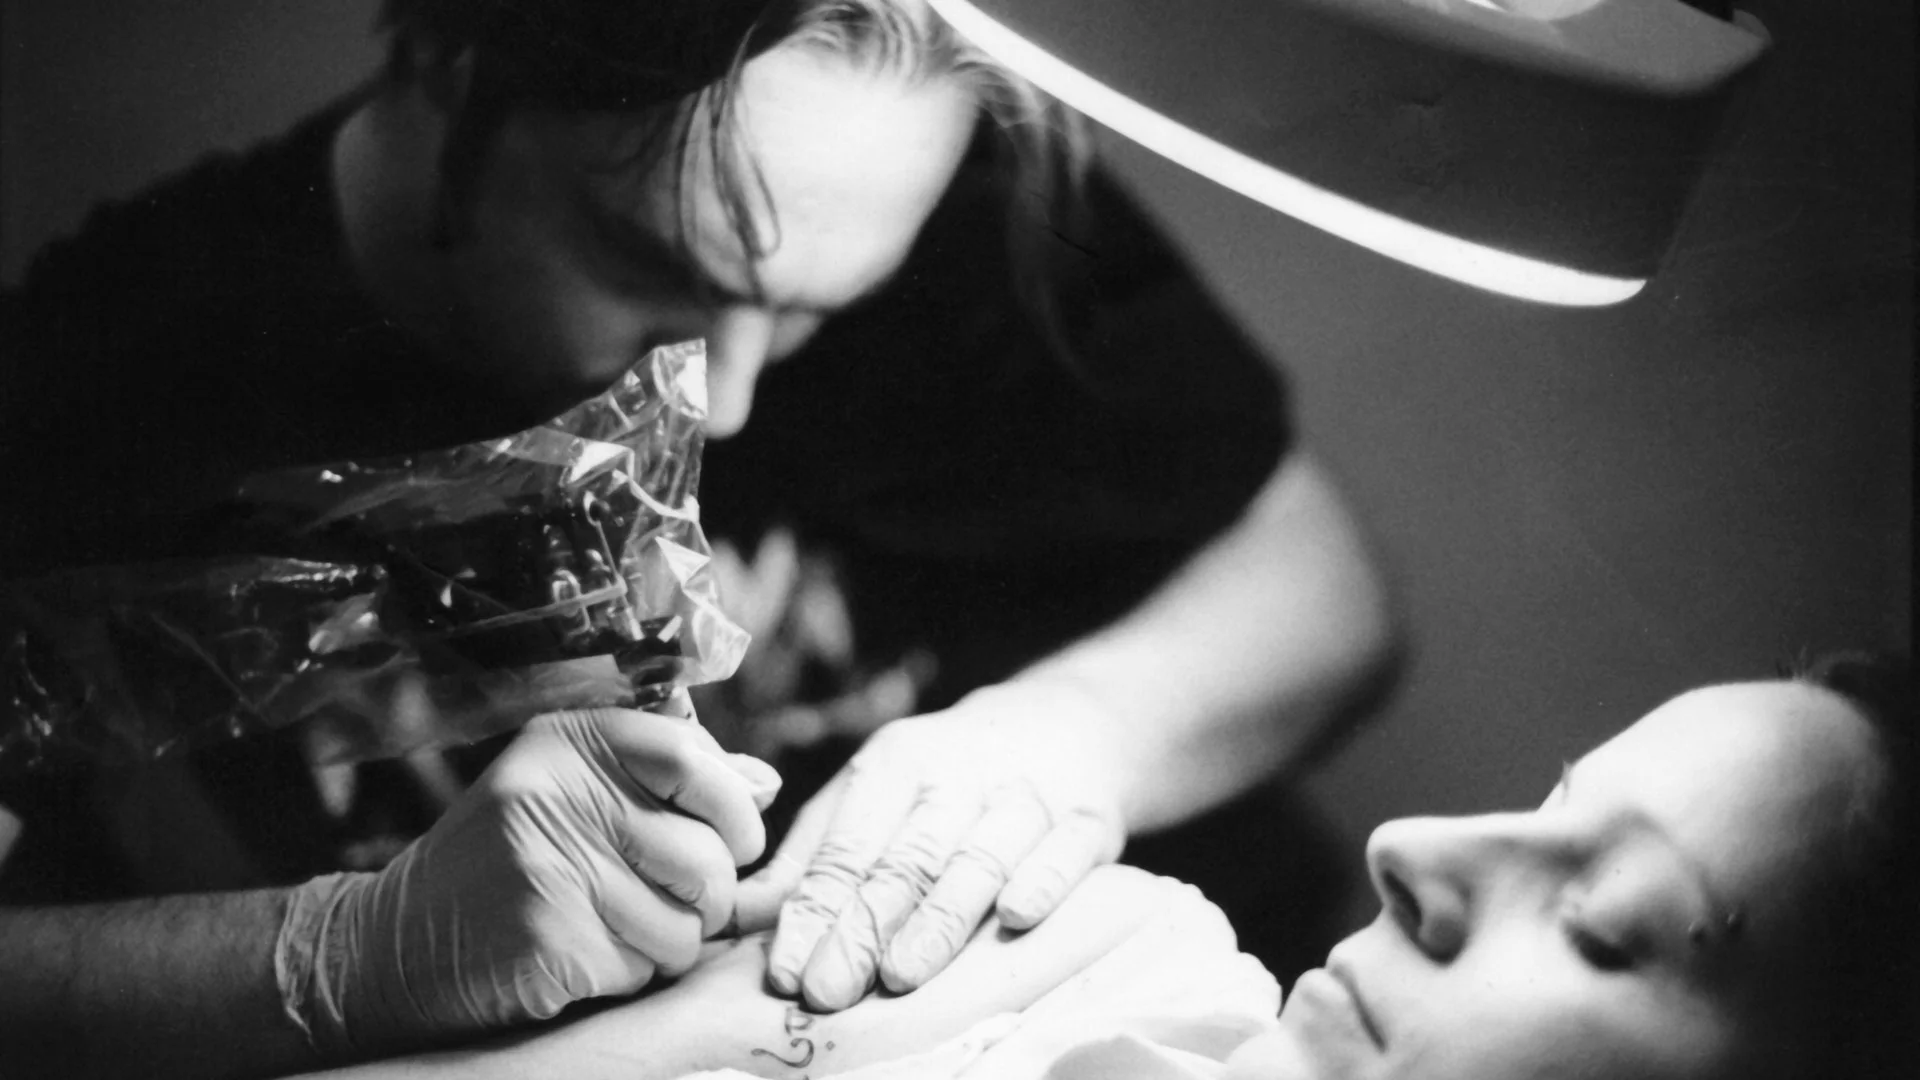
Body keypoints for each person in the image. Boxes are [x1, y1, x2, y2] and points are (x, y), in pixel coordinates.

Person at [0, 0, 1396, 1075]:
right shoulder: (101, 389)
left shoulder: (888, 170)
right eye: (651, 264)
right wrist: (341, 959)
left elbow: (1327, 598)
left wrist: (1071, 737)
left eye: (818, 311)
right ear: (446, 54)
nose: (727, 398)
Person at [280, 653, 1918, 1080]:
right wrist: (349, 959)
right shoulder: (1105, 966)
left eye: (1608, 925)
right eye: (1546, 796)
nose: (1411, 850)